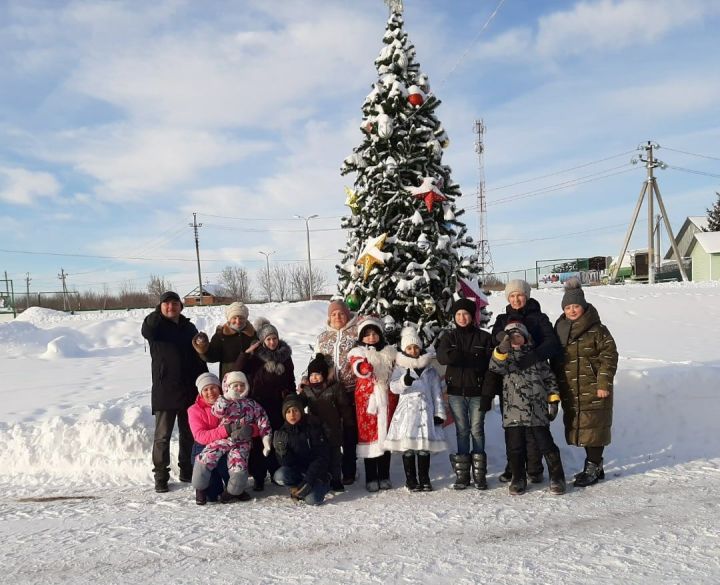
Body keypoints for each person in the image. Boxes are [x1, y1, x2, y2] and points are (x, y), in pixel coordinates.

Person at [491, 279, 562, 484]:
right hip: (511, 382)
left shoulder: (539, 318)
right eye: (512, 296)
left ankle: (535, 468)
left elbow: (552, 343)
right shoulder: (502, 318)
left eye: (519, 295)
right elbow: (494, 339)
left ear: (527, 296)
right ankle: (514, 468)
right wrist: (502, 337)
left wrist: (534, 357)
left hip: (534, 380)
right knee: (513, 431)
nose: (516, 299)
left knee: (536, 432)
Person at [551, 277, 618, 487]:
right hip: (570, 388)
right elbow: (554, 358)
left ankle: (593, 466)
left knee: (594, 427)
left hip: (594, 388)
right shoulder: (560, 328)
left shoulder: (597, 329)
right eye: (568, 307)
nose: (572, 310)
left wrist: (603, 384)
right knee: (583, 427)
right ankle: (595, 467)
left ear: (584, 306)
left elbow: (610, 355)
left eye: (576, 306)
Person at [486, 321, 566, 495]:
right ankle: (518, 478)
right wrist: (501, 349)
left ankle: (557, 476)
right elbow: (494, 367)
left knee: (546, 444)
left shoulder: (537, 357)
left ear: (526, 337)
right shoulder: (504, 357)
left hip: (537, 411)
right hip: (513, 413)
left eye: (518, 335)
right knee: (515, 447)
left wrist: (553, 400)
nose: (515, 339)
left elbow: (550, 379)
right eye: (511, 337)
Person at [141, 290, 207, 493]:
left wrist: (204, 381)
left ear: (181, 306)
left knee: (188, 433)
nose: (171, 307)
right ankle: (161, 476)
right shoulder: (156, 326)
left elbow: (198, 356)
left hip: (188, 389)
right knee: (162, 436)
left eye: (175, 303)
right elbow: (147, 330)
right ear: (160, 307)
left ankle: (186, 469)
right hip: (165, 389)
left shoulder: (189, 328)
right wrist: (156, 312)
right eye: (166, 304)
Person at [436, 298, 497, 490]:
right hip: (455, 393)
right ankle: (462, 475)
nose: (462, 318)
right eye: (458, 314)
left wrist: (488, 394)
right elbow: (441, 356)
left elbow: (492, 368)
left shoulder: (484, 338)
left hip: (477, 393)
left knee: (477, 430)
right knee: (462, 431)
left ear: (472, 316)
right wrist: (452, 356)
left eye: (466, 314)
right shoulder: (449, 337)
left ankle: (479, 475)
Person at [232, 317, 295, 491]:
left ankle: (275, 472)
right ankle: (259, 477)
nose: (272, 342)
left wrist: (291, 397)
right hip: (258, 405)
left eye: (274, 338)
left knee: (276, 439)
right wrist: (246, 353)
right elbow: (237, 371)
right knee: (258, 441)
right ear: (263, 341)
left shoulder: (285, 357)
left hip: (278, 405)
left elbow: (290, 380)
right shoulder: (256, 357)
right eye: (268, 339)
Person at [192, 370, 272, 503]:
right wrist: (226, 398)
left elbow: (263, 421)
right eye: (235, 386)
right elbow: (217, 411)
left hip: (242, 443)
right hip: (222, 440)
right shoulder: (224, 401)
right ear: (228, 388)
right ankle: (200, 489)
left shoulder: (252, 404)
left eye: (241, 385)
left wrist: (266, 440)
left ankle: (231, 492)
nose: (239, 388)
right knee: (205, 458)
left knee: (239, 469)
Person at [386, 326, 447, 491]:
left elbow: (437, 393)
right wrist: (403, 382)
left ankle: (425, 478)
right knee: (408, 448)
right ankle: (411, 479)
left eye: (416, 347)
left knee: (423, 448)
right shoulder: (400, 368)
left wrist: (439, 412)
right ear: (404, 349)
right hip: (407, 414)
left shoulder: (430, 370)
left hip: (425, 413)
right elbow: (393, 387)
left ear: (420, 348)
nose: (413, 350)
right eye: (409, 347)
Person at [347, 316, 398, 492]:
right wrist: (363, 368)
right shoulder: (358, 352)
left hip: (387, 398)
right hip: (367, 401)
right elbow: (356, 365)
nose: (371, 337)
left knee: (386, 437)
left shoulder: (390, 352)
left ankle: (384, 475)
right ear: (361, 337)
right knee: (369, 439)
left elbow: (398, 368)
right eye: (367, 334)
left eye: (374, 333)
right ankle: (371, 477)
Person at [312, 300, 360, 485]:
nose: (337, 317)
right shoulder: (323, 337)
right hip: (328, 392)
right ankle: (331, 469)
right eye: (334, 314)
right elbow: (314, 362)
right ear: (329, 317)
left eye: (341, 313)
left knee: (349, 432)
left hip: (350, 391)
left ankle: (349, 470)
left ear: (347, 315)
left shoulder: (355, 333)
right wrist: (305, 379)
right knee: (329, 432)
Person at [188, 372, 252, 505]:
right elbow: (200, 436)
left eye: (213, 388)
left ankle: (235, 489)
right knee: (212, 495)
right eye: (206, 389)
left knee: (233, 467)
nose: (210, 392)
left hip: (227, 445)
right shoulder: (194, 410)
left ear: (220, 389)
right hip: (203, 447)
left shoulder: (231, 403)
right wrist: (226, 429)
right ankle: (202, 488)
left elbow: (249, 420)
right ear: (201, 393)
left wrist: (250, 430)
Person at [298, 353, 355, 492]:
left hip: (333, 429)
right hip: (316, 431)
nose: (314, 378)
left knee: (335, 457)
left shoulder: (335, 388)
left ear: (324, 374)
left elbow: (344, 408)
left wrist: (348, 423)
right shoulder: (307, 391)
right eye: (311, 375)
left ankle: (336, 480)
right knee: (320, 456)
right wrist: (291, 397)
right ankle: (323, 478)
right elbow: (298, 403)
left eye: (317, 374)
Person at [273, 394, 331, 506]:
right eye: (288, 412)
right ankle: (297, 488)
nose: (292, 415)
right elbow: (286, 464)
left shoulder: (312, 427)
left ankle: (323, 485)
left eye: (295, 410)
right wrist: (281, 452)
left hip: (317, 473)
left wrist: (308, 481)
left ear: (301, 411)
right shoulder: (283, 432)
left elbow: (321, 457)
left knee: (312, 500)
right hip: (299, 472)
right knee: (279, 476)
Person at [192, 302, 257, 381]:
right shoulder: (221, 335)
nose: (238, 321)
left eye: (241, 318)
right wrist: (203, 349)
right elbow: (213, 356)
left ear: (246, 318)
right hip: (229, 379)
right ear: (229, 319)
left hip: (250, 378)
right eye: (234, 318)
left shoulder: (253, 334)